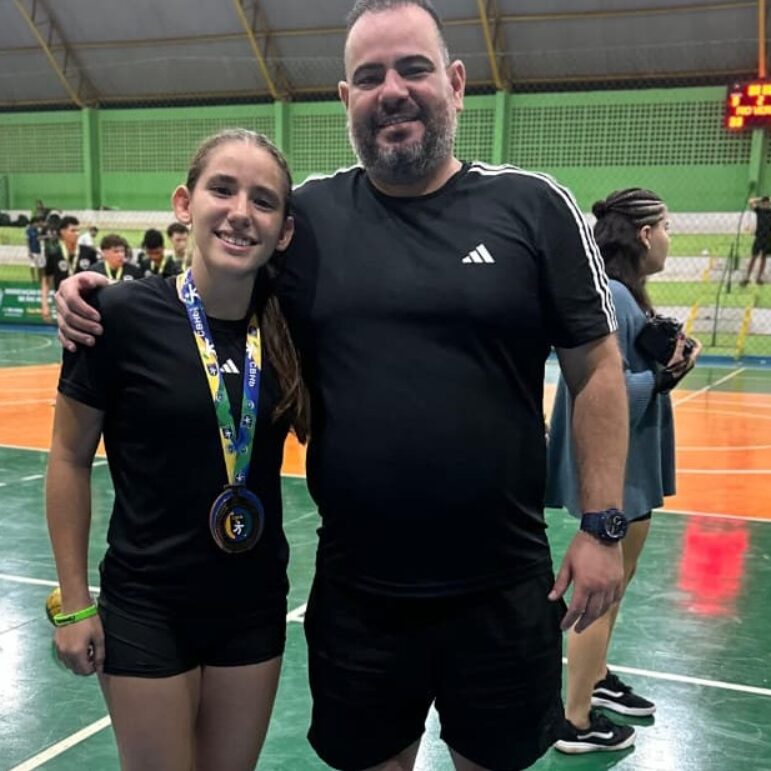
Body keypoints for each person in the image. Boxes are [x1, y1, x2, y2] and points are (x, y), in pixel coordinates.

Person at [56, 2, 630, 769]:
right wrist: (99, 296)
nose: (392, 90)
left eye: (413, 69)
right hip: (360, 592)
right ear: (345, 98)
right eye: (369, 76)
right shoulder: (310, 220)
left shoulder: (531, 206)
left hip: (499, 583)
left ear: (457, 84)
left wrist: (602, 526)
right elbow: (217, 283)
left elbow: (596, 367)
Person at [46, 129, 306, 771]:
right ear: (185, 204)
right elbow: (69, 458)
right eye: (223, 189)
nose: (241, 212)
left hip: (252, 606)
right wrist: (73, 601)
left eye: (263, 200)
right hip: (147, 605)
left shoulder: (294, 330)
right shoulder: (116, 316)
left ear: (284, 232)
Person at [547, 188, 702, 754]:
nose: (668, 238)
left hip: (630, 459)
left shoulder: (622, 292)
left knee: (619, 581)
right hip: (618, 469)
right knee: (602, 591)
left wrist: (668, 362)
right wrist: (662, 377)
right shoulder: (612, 293)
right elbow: (597, 389)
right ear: (643, 234)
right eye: (666, 227)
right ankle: (575, 719)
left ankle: (596, 677)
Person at [41, 215, 98, 322]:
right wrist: (45, 305)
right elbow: (46, 280)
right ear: (62, 232)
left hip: (86, 302)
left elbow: (97, 277)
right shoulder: (54, 254)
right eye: (73, 230)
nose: (77, 234)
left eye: (78, 230)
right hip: (63, 303)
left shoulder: (89, 252)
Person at [740, 195, 771, 286]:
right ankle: (747, 277)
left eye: (767, 203)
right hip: (759, 238)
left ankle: (759, 278)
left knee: (763, 258)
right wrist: (760, 199)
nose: (766, 205)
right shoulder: (759, 210)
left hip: (768, 239)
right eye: (764, 203)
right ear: (762, 204)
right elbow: (750, 201)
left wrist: (769, 199)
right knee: (753, 257)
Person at [25, 215, 46, 282]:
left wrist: (45, 237)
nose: (38, 224)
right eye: (37, 223)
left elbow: (38, 238)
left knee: (40, 266)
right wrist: (29, 251)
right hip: (33, 251)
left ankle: (40, 279)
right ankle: (33, 279)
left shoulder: (37, 230)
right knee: (32, 265)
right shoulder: (28, 230)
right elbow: (27, 241)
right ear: (33, 223)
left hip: (38, 250)